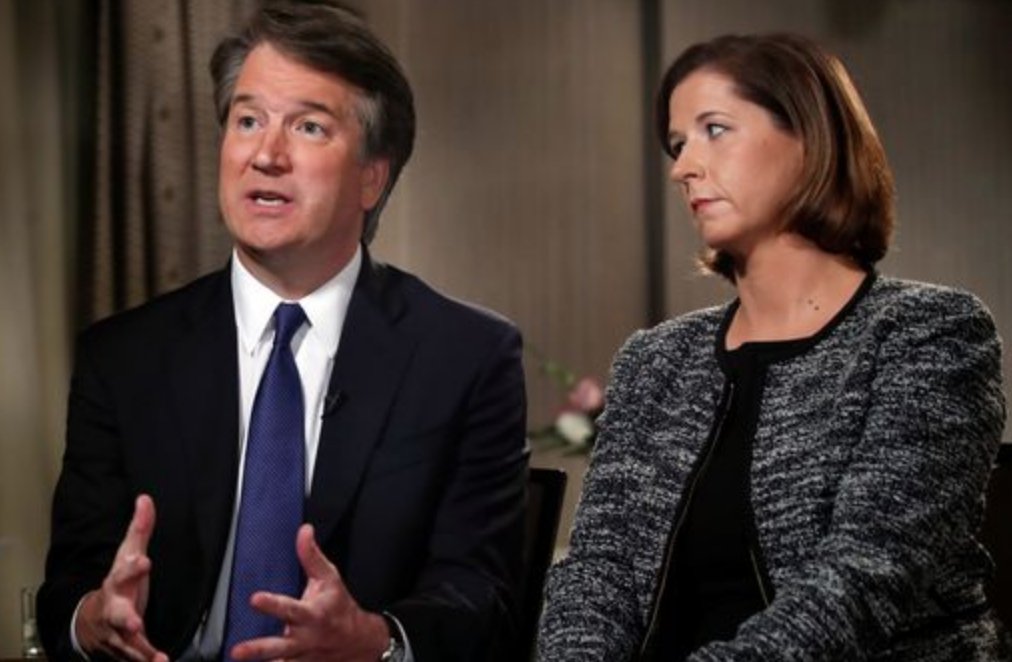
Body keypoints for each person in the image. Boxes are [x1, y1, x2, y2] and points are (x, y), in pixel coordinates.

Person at [37, 3, 528, 661]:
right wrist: (92, 619)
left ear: (372, 177)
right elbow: (66, 590)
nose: (265, 155)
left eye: (308, 127)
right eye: (247, 121)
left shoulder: (466, 357)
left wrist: (373, 641)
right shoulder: (124, 357)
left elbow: (481, 599)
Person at [537, 32, 1008, 661]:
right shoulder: (655, 360)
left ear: (809, 138)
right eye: (678, 144)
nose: (682, 167)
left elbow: (864, 580)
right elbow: (600, 572)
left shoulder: (928, 333)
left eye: (714, 130)